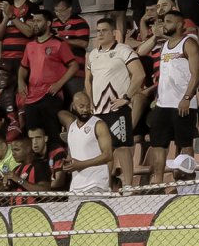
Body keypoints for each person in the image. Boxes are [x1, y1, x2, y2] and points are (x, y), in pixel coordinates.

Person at [86, 18, 144, 187]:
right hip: (98, 110)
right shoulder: (92, 54)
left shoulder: (123, 50)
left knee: (122, 147)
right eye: (98, 31)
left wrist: (126, 98)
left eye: (104, 30)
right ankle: (104, 185)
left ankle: (128, 186)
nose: (100, 34)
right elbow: (88, 81)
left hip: (117, 107)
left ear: (114, 33)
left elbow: (139, 74)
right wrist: (90, 102)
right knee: (104, 150)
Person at [148, 11, 199, 184]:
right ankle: (157, 182)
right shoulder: (164, 45)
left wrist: (187, 97)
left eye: (169, 21)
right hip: (163, 104)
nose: (164, 24)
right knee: (158, 144)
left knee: (185, 143)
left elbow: (197, 73)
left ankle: (188, 181)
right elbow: (141, 51)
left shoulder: (189, 44)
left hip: (183, 103)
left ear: (180, 25)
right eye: (164, 21)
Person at [20, 10, 80, 142]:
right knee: (33, 135)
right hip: (31, 96)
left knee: (52, 134)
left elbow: (74, 66)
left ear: (48, 23)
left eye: (38, 21)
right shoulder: (29, 46)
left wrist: (59, 84)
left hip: (51, 94)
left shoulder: (59, 44)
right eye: (33, 21)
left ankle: (56, 154)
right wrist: (20, 81)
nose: (35, 24)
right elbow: (23, 68)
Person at [64, 90, 115, 195]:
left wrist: (81, 165)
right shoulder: (71, 127)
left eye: (88, 106)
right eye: (81, 106)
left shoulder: (99, 125)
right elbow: (71, 155)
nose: (85, 110)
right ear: (73, 106)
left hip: (96, 185)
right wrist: (68, 165)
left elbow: (108, 155)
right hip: (75, 188)